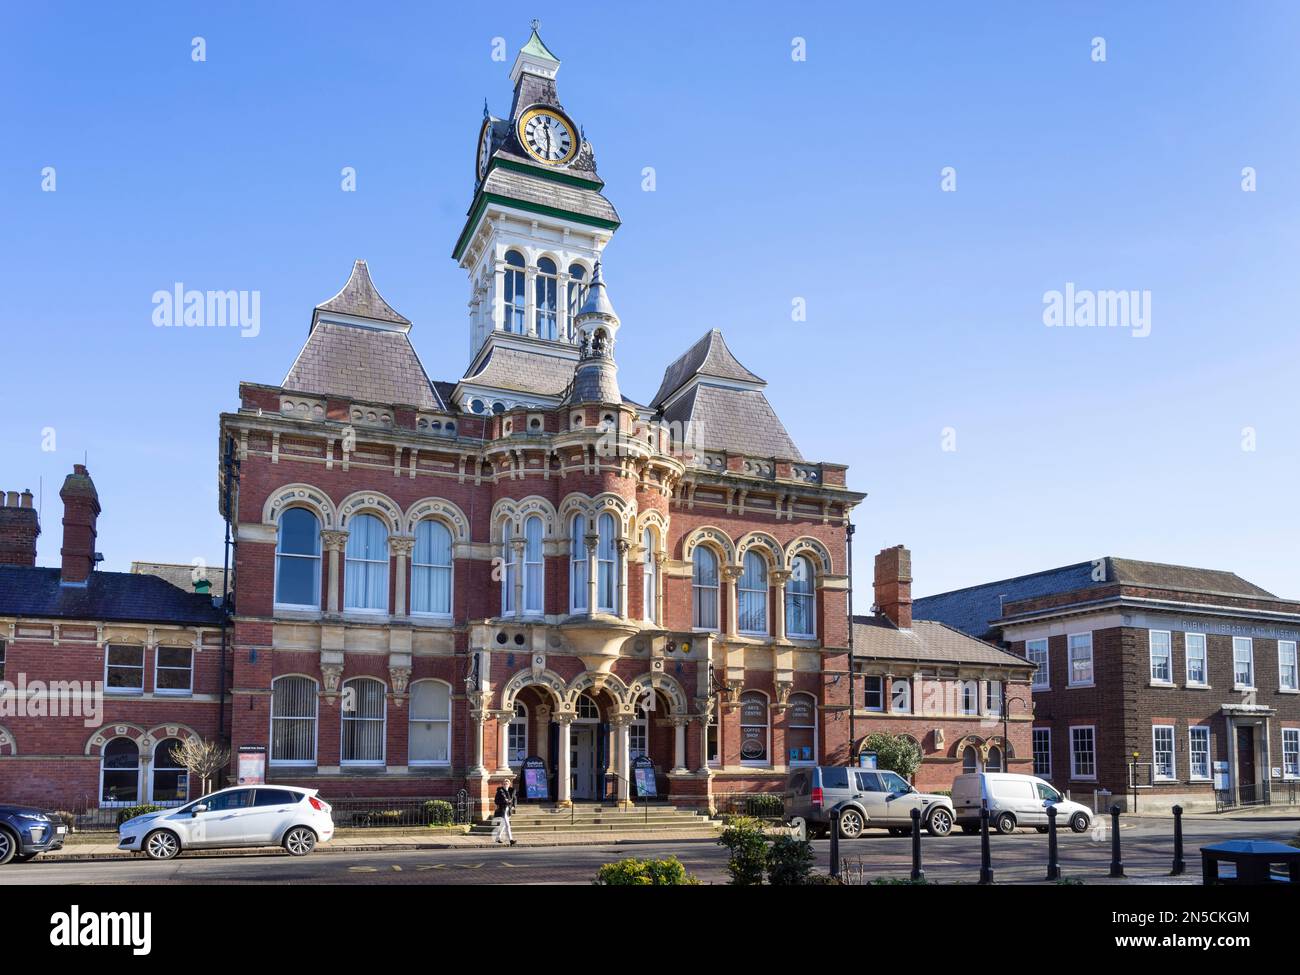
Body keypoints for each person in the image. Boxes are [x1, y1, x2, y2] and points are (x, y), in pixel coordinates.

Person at [492, 781, 517, 846]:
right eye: (504, 784)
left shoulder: (511, 791)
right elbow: (496, 801)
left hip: (508, 810)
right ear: (502, 785)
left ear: (509, 784)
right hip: (502, 809)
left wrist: (513, 805)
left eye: (507, 784)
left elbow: (514, 798)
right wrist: (505, 801)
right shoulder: (500, 792)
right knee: (507, 825)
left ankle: (497, 838)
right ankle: (511, 840)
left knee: (502, 825)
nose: (505, 785)